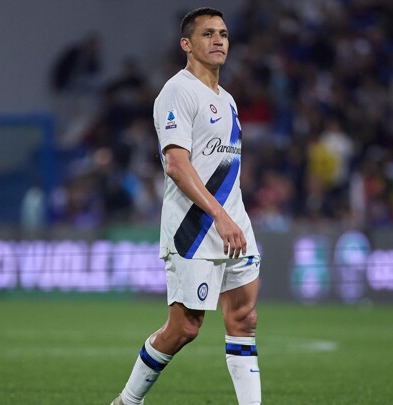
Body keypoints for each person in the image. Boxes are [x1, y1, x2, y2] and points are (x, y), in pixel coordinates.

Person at [111, 7, 262, 405]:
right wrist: (219, 215)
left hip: (234, 223)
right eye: (208, 34)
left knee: (244, 320)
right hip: (194, 228)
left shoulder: (228, 100)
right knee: (185, 328)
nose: (218, 40)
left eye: (223, 34)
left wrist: (232, 216)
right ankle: (127, 401)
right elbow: (177, 165)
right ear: (187, 44)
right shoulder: (176, 91)